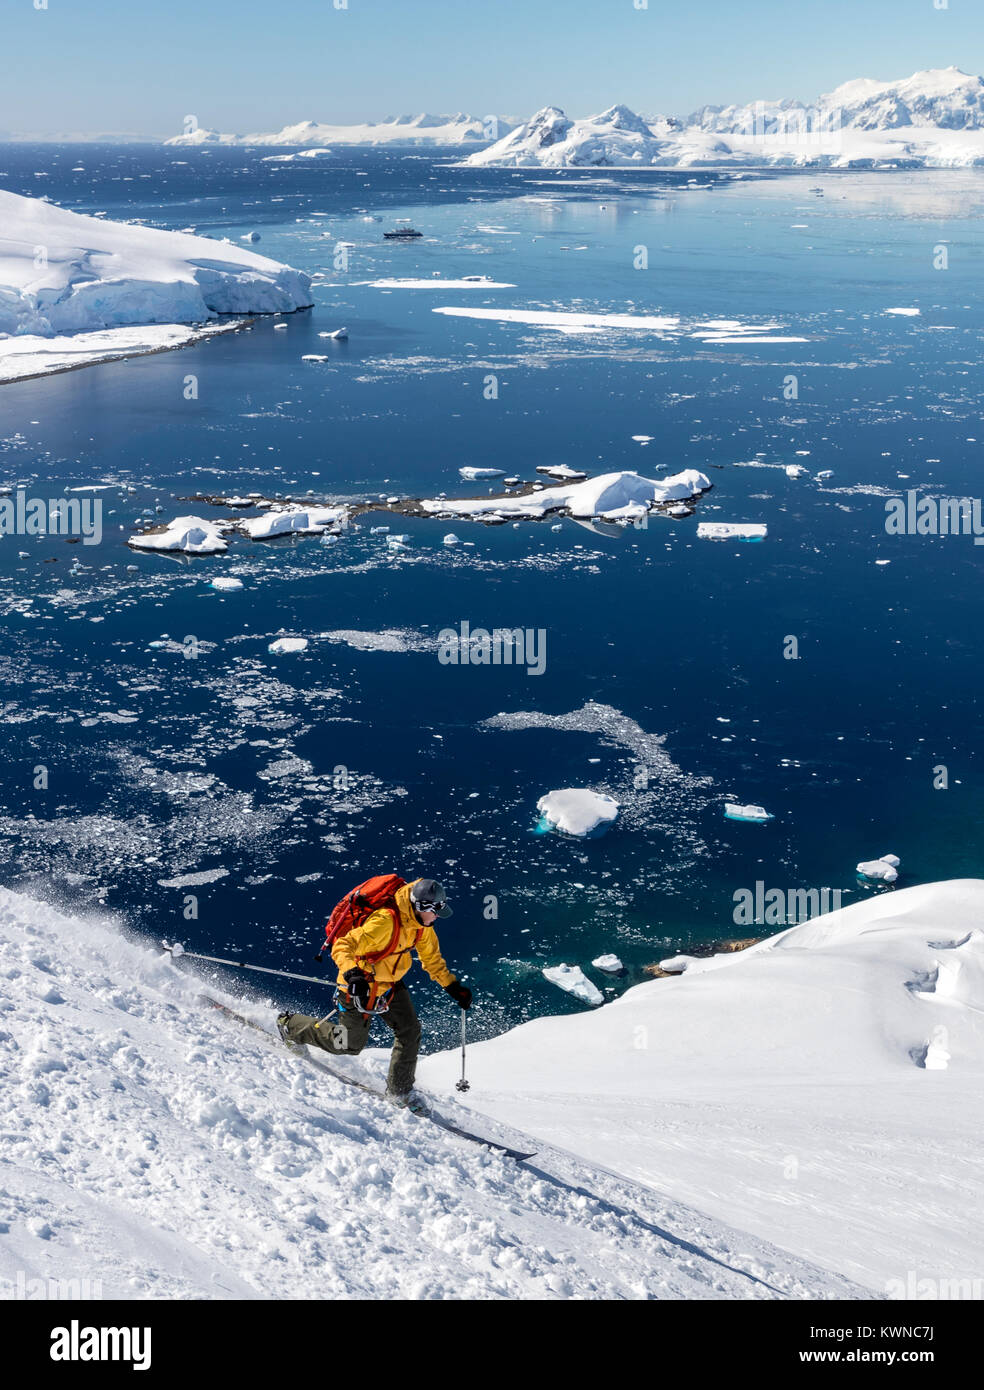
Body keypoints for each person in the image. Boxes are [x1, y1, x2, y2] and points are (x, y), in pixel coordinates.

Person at [276, 878, 472, 1105]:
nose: (438, 916)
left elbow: (432, 960)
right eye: (435, 911)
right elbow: (343, 946)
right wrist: (352, 973)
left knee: (409, 1030)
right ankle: (290, 1026)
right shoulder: (385, 921)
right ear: (421, 907)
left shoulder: (421, 927)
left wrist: (452, 986)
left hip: (390, 984)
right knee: (348, 1044)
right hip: (360, 984)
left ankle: (400, 1092)